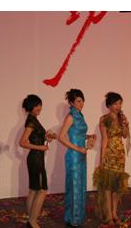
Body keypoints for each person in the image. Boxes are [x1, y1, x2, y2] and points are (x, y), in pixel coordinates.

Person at [94, 92, 130, 225]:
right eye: (115, 103)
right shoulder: (104, 119)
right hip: (109, 154)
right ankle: (109, 216)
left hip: (120, 155)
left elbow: (125, 135)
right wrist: (102, 159)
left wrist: (125, 124)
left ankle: (115, 213)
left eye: (120, 103)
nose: (118, 106)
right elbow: (104, 139)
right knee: (108, 186)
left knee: (117, 186)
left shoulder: (122, 118)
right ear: (109, 105)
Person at [20, 95, 54, 228]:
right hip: (36, 159)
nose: (39, 107)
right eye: (36, 105)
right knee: (42, 190)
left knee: (34, 190)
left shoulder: (33, 120)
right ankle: (33, 221)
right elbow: (22, 142)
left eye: (40, 104)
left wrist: (46, 138)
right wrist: (40, 147)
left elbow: (36, 138)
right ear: (30, 107)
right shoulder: (31, 122)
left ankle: (31, 219)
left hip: (35, 158)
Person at [58, 89, 91, 227]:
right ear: (71, 102)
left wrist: (90, 137)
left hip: (82, 156)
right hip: (74, 156)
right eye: (78, 101)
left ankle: (76, 217)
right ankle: (73, 220)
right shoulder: (71, 117)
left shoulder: (80, 115)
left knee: (80, 186)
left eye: (82, 100)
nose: (81, 103)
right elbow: (61, 137)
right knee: (74, 187)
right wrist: (78, 149)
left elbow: (79, 134)